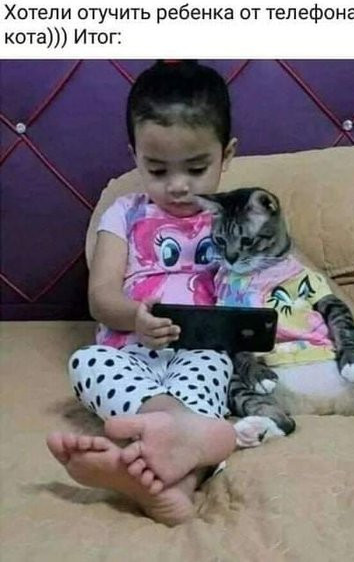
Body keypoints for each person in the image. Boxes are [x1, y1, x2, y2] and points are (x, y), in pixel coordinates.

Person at [46, 60, 239, 526]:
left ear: (227, 155)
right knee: (86, 363)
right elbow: (101, 298)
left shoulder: (233, 219)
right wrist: (135, 317)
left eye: (196, 168)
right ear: (135, 155)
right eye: (157, 169)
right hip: (129, 355)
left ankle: (167, 480)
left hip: (199, 351)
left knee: (216, 366)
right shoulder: (123, 214)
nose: (178, 186)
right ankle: (177, 435)